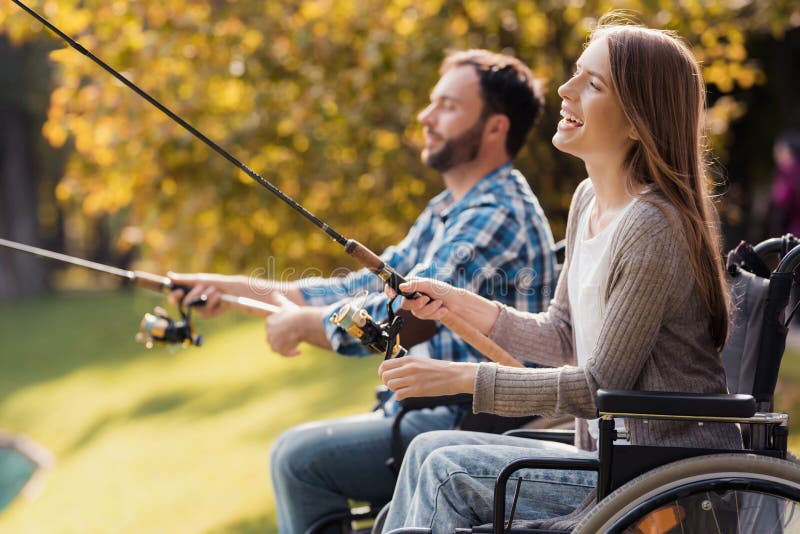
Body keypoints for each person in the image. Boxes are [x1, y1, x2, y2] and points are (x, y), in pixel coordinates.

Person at [378, 17, 743, 533]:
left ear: (639, 121)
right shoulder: (587, 200)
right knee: (427, 451)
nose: (565, 91)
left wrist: (462, 379)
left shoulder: (653, 227)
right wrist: (458, 302)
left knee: (445, 469)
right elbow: (563, 334)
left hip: (660, 481)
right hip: (609, 462)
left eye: (591, 84)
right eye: (575, 74)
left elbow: (598, 387)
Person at [169, 49, 556, 533]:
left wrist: (303, 328)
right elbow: (354, 287)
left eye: (449, 106)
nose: (426, 116)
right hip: (428, 411)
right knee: (299, 456)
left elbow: (400, 318)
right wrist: (226, 289)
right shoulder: (450, 208)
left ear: (496, 128)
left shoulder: (494, 212)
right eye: (432, 103)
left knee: (298, 461)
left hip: (471, 421)